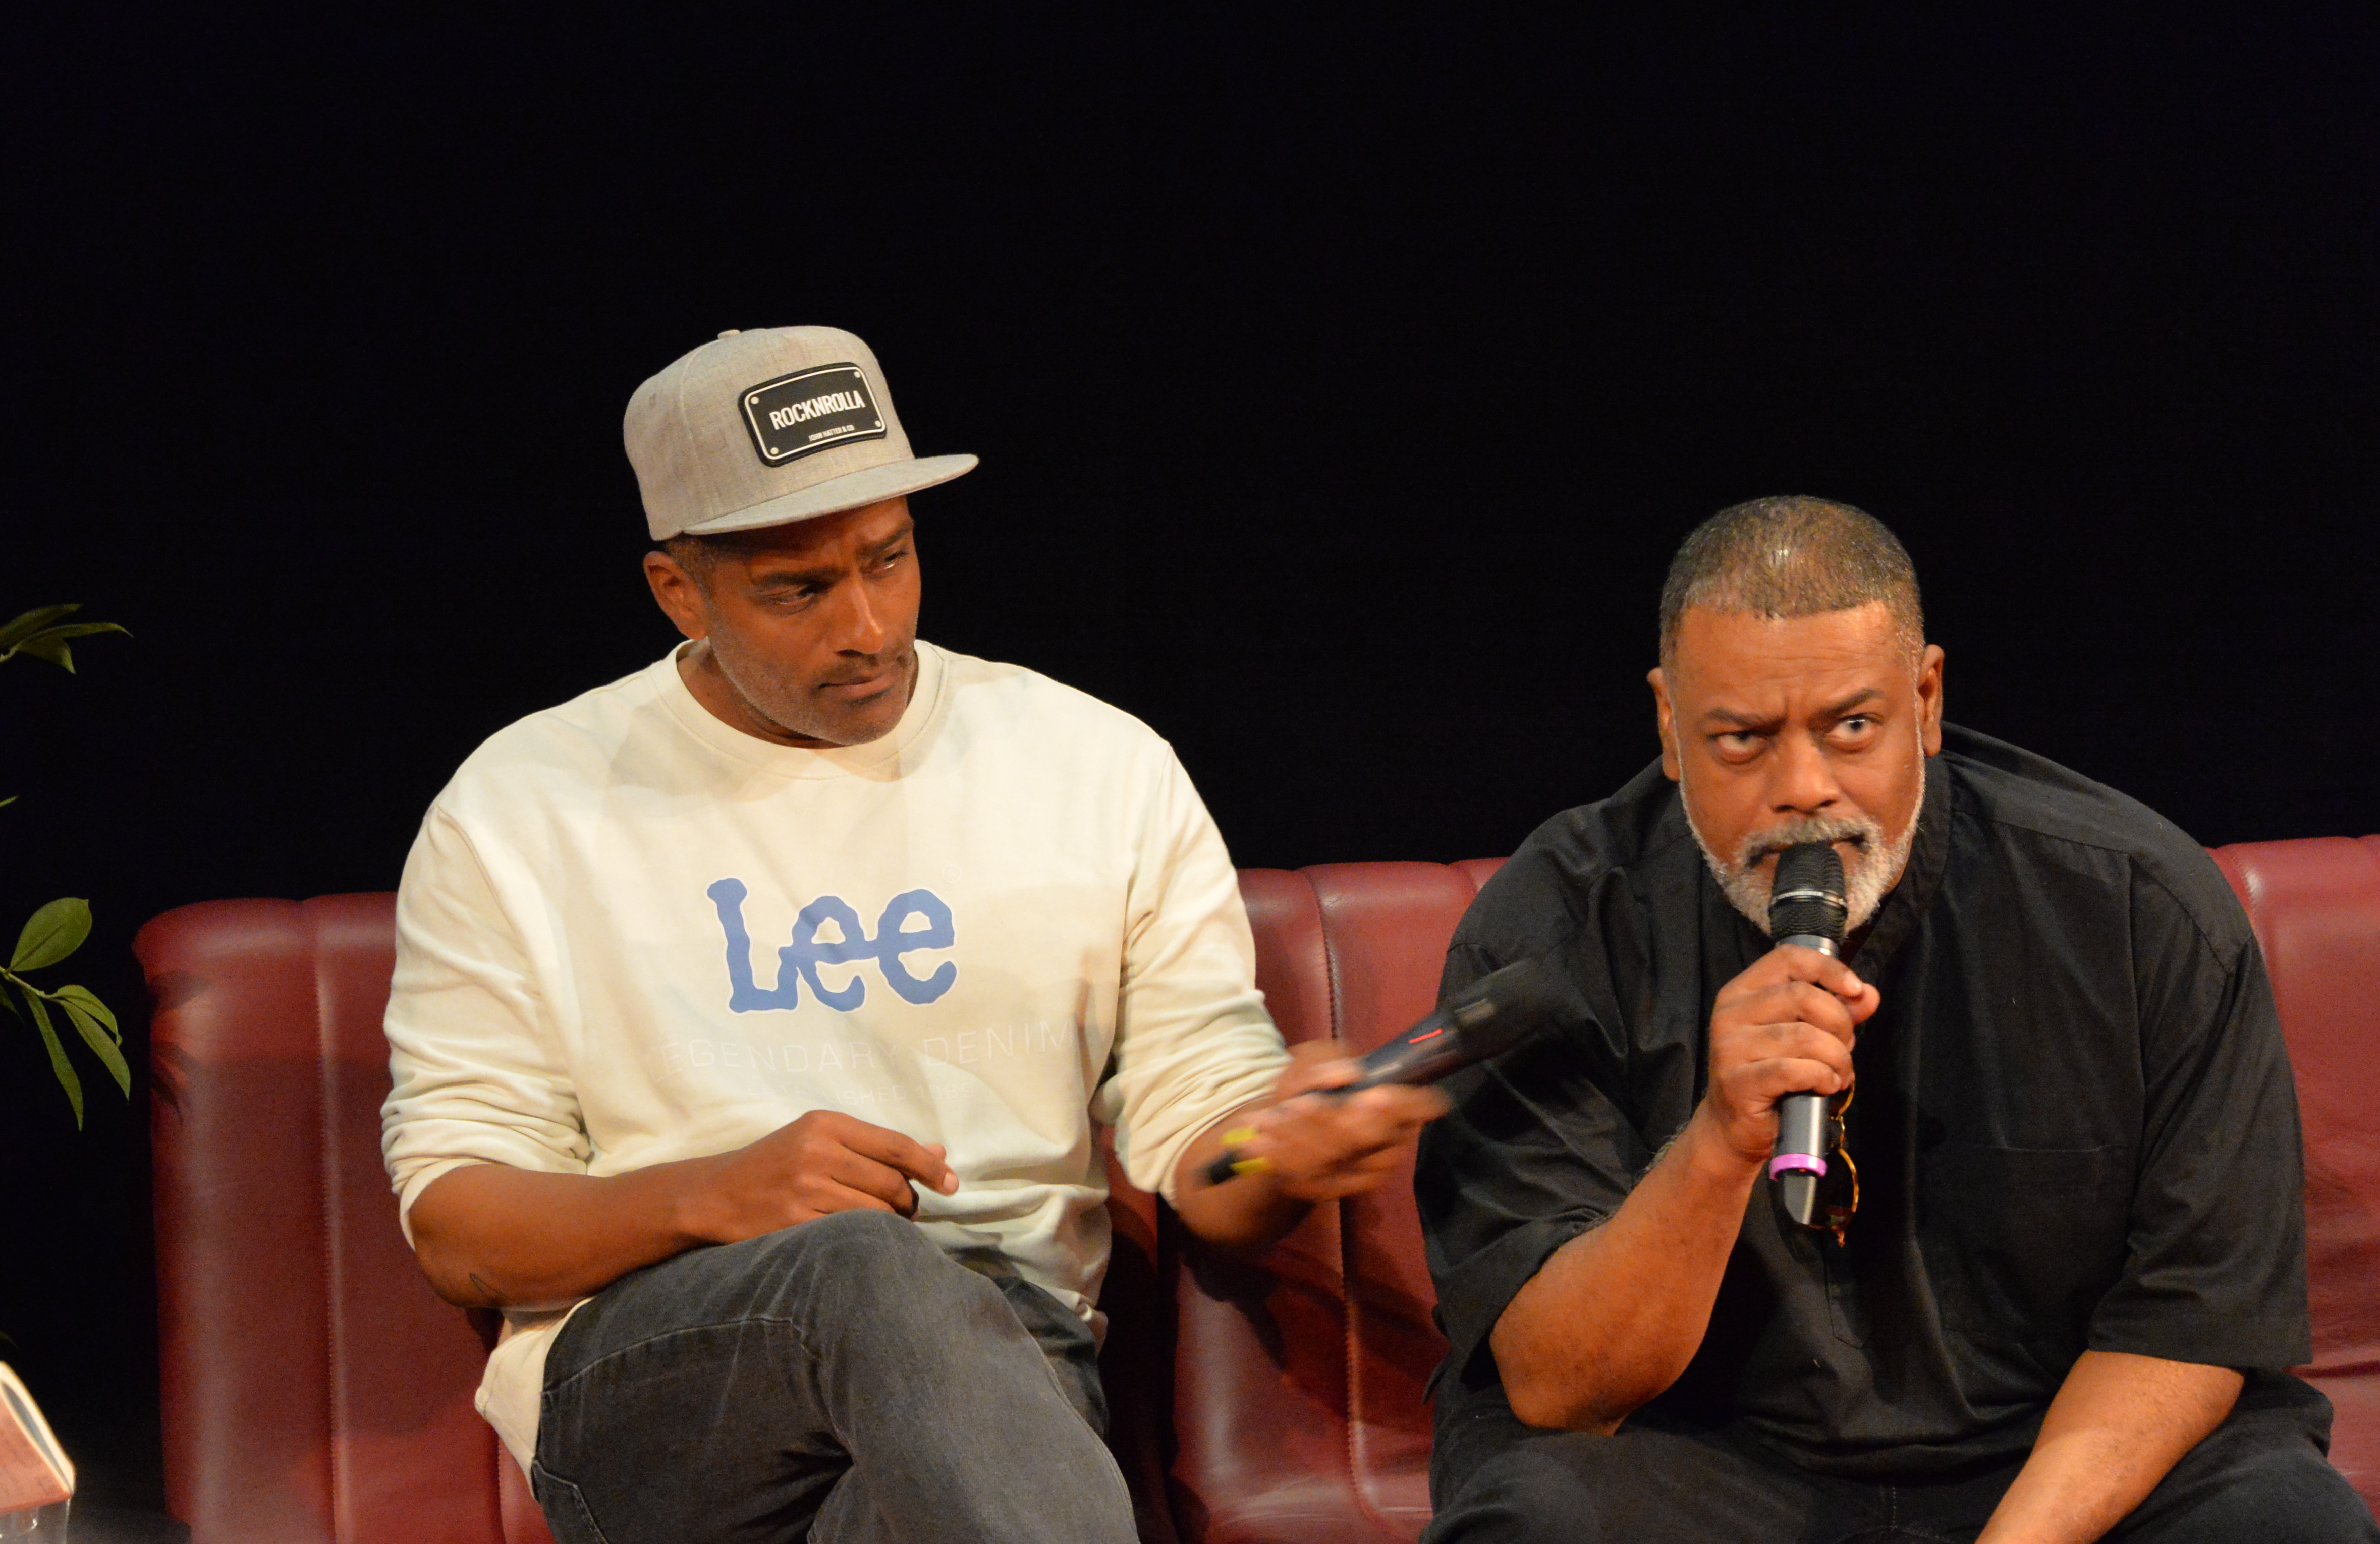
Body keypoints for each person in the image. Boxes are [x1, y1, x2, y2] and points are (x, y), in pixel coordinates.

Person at [379, 325, 1441, 1544]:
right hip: (663, 1386)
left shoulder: (1097, 767)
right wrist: (709, 1193)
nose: (870, 625)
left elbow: (1211, 1146)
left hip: (1005, 1370)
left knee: (939, 1405)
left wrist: (1279, 1150)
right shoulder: (522, 805)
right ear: (680, 590)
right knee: (861, 1266)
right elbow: (457, 1222)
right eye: (800, 589)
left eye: (889, 557)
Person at [1416, 496, 2375, 1543]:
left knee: (2288, 1522)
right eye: (1741, 739)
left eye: (1850, 727)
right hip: (1709, 1463)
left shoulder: (2140, 907)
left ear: (1925, 698)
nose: (1803, 789)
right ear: (1669, 725)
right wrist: (1717, 1143)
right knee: (1540, 1519)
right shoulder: (1552, 928)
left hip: (2053, 1454)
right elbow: (1561, 1385)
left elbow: (2187, 1321)